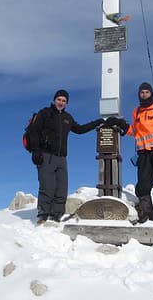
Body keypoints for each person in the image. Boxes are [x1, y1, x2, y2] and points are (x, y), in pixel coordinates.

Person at [108, 82, 153, 222]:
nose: (144, 95)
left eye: (147, 92)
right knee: (143, 185)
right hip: (144, 153)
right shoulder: (136, 112)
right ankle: (148, 217)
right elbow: (136, 132)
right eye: (142, 92)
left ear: (151, 93)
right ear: (139, 94)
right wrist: (123, 125)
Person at [25, 89, 103, 224]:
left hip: (61, 158)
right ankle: (43, 214)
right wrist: (36, 151)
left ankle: (56, 215)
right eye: (59, 100)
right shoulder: (45, 113)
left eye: (64, 101)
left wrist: (97, 122)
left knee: (62, 188)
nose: (61, 102)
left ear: (66, 103)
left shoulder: (67, 118)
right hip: (46, 156)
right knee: (47, 187)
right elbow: (34, 132)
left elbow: (79, 129)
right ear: (54, 100)